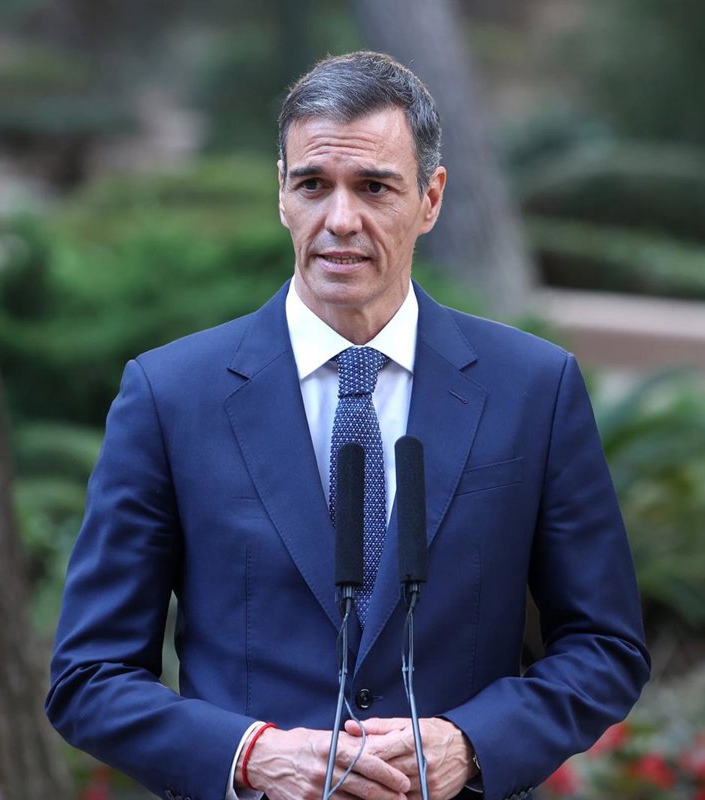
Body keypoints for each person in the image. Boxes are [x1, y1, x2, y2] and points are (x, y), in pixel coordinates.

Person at [46, 51, 649, 800]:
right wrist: (250, 755)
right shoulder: (170, 396)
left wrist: (472, 743)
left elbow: (605, 647)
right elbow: (89, 676)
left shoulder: (533, 388)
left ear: (430, 198)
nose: (340, 220)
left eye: (373, 187)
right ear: (281, 194)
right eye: (313, 185)